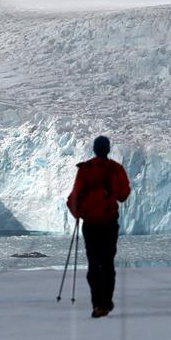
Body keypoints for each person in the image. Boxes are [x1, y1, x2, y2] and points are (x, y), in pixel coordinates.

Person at [67, 136, 131, 318]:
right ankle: (106, 302)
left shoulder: (85, 169)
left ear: (94, 149)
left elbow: (74, 197)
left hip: (90, 225)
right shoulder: (115, 169)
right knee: (108, 263)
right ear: (108, 149)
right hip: (109, 223)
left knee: (94, 264)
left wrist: (79, 214)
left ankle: (97, 304)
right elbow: (124, 195)